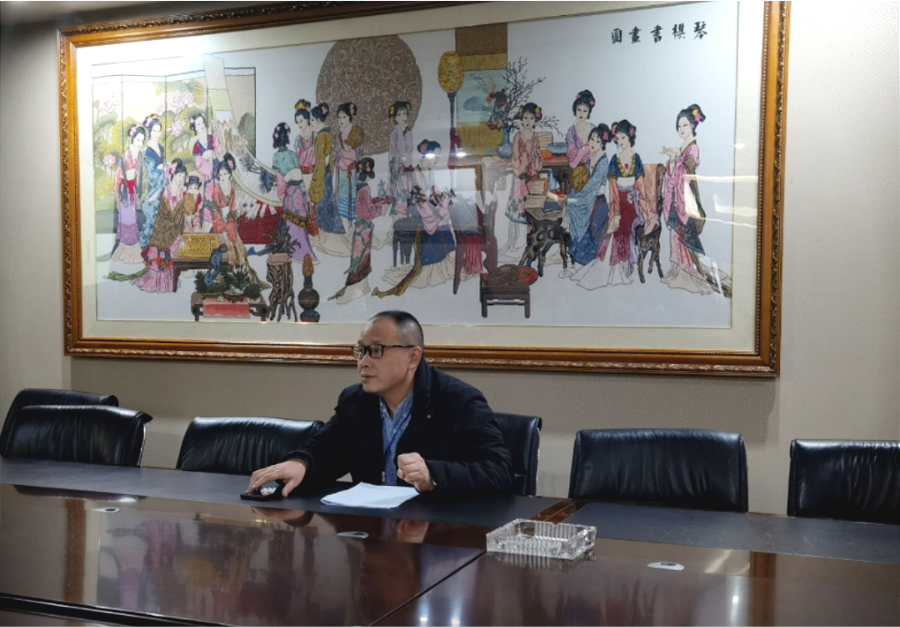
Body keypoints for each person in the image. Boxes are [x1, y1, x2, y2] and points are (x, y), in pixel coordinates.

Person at [247, 311, 513, 496]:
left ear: (413, 357)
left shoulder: (458, 401)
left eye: (376, 351)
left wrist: (433, 474)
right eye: (360, 351)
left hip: (438, 537)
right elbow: (327, 450)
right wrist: (301, 463)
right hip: (372, 534)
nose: (363, 362)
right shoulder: (355, 401)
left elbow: (498, 471)